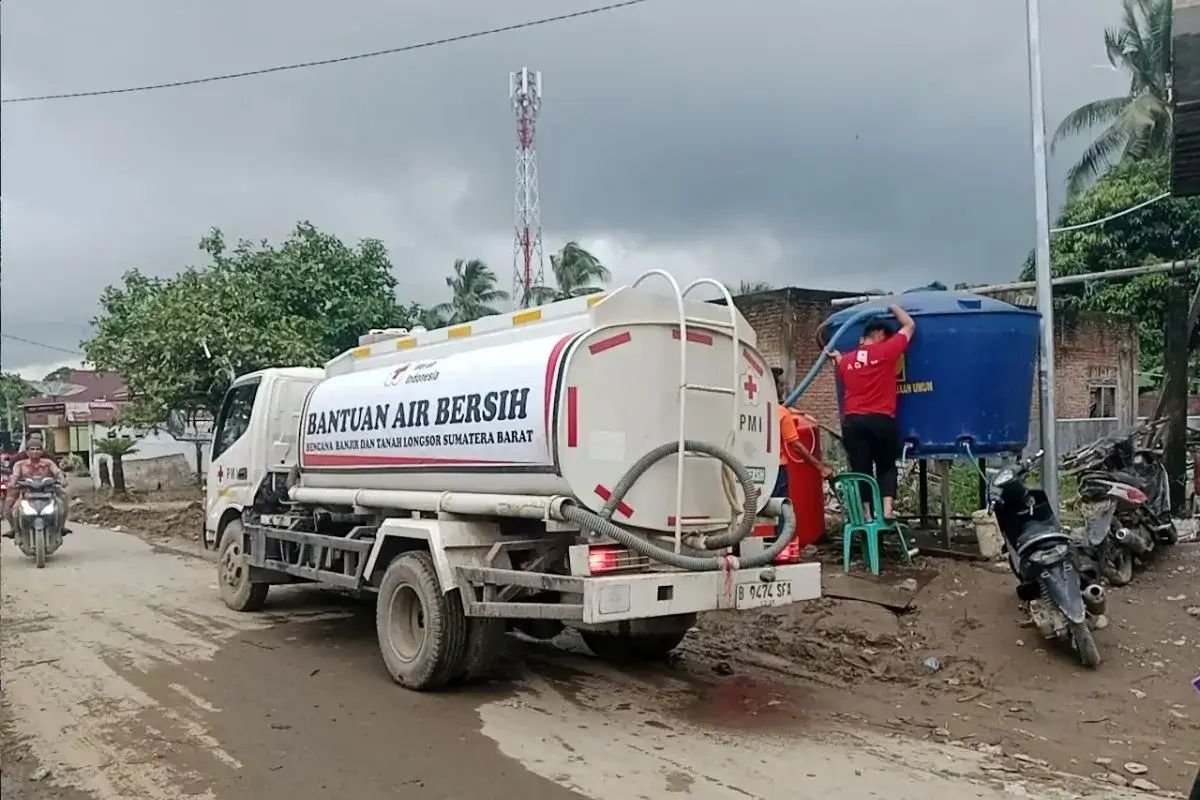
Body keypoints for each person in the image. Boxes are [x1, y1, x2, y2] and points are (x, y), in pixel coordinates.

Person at [827, 304, 916, 522]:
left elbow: (841, 367)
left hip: (853, 424)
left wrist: (838, 358)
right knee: (886, 466)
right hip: (881, 420)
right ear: (878, 334)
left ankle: (866, 515)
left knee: (861, 470)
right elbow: (909, 325)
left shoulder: (847, 360)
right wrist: (894, 305)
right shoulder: (886, 351)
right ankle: (886, 511)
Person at [771, 367, 834, 509]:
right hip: (777, 470)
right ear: (772, 387)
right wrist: (821, 467)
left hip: (755, 470)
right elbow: (796, 445)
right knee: (781, 510)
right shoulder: (782, 413)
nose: (783, 388)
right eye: (780, 385)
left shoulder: (752, 409)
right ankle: (781, 532)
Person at [2, 435, 68, 538]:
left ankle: (61, 527)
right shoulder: (20, 464)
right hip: (26, 491)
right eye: (32, 449)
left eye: (38, 449)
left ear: (42, 451)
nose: (35, 452)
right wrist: (12, 482)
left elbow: (57, 472)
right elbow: (15, 475)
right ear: (27, 452)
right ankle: (14, 529)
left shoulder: (48, 463)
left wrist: (62, 479)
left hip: (47, 490)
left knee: (62, 500)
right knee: (11, 507)